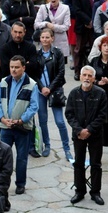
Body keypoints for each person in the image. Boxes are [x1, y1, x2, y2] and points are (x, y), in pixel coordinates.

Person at [0, 55, 39, 196]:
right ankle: (3, 183)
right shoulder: (3, 82)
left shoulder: (31, 84)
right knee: (3, 157)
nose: (13, 70)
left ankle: (20, 184)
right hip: (6, 127)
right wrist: (2, 118)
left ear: (23, 68)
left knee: (21, 158)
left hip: (22, 128)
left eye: (17, 67)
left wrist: (21, 120)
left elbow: (34, 106)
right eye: (12, 67)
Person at [65, 65, 108, 205]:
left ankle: (95, 192)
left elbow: (102, 116)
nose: (87, 78)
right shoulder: (73, 93)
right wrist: (79, 130)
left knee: (96, 164)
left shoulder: (101, 93)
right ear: (80, 76)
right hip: (78, 135)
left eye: (90, 76)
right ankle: (79, 191)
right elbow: (69, 114)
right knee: (78, 163)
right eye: (85, 75)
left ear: (94, 78)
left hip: (95, 135)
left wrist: (88, 130)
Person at [35, 29, 71, 160]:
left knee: (60, 121)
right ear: (40, 39)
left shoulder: (58, 53)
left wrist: (49, 88)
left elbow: (61, 72)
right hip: (40, 91)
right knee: (42, 120)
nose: (45, 39)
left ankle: (66, 148)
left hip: (54, 90)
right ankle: (47, 145)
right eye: (42, 37)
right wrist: (42, 87)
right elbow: (34, 74)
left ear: (52, 38)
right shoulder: (37, 54)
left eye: (47, 37)